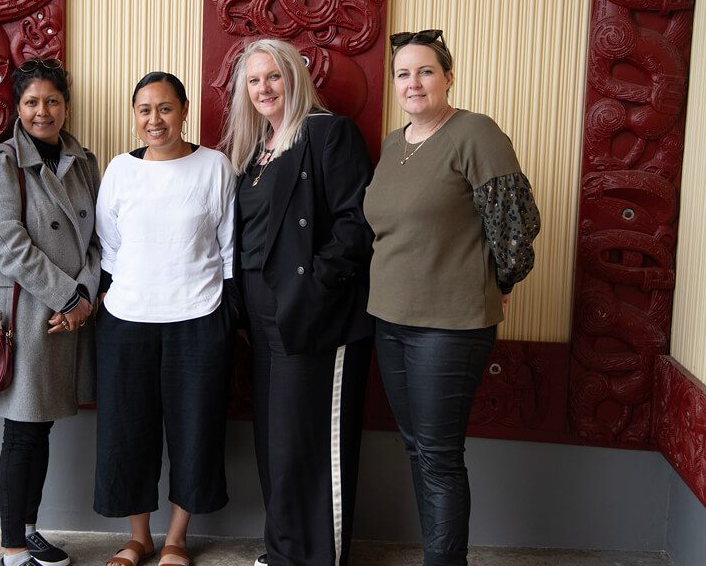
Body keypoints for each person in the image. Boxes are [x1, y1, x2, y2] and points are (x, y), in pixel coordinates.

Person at [364, 29, 541, 566]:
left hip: (450, 325)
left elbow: (515, 222)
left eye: (425, 71)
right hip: (388, 318)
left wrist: (502, 281)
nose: (413, 82)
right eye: (402, 73)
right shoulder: (396, 143)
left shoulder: (475, 132)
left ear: (448, 77)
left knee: (438, 456)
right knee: (418, 449)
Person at [220, 38, 375, 566]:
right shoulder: (254, 150)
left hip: (316, 314)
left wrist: (310, 291)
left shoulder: (328, 134)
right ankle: (283, 551)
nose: (264, 88)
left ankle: (315, 558)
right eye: (254, 80)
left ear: (295, 78)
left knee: (311, 441)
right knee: (277, 441)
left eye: (274, 77)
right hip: (260, 316)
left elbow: (357, 224)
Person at [93, 72, 236, 566]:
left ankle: (176, 538)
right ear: (135, 116)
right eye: (144, 110)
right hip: (126, 320)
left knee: (194, 431)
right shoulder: (119, 170)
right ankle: (140, 538)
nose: (155, 120)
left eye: (165, 108)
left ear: (184, 110)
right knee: (127, 430)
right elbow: (109, 247)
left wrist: (225, 312)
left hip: (199, 317)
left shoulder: (214, 166)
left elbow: (229, 247)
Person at [0, 59, 100, 566]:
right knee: (21, 428)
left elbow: (96, 241)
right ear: (17, 108)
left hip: (72, 313)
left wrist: (85, 299)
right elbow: (6, 245)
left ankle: (29, 528)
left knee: (40, 426)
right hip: (26, 313)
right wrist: (68, 298)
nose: (42, 111)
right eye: (31, 102)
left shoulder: (84, 161)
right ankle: (12, 548)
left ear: (65, 105)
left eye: (52, 101)